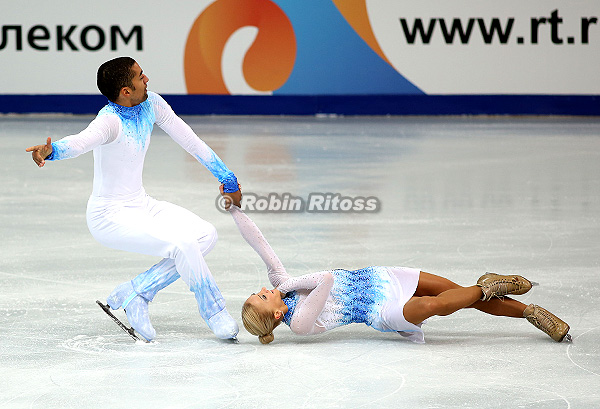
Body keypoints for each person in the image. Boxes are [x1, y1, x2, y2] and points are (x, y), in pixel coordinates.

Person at [26, 57, 242, 342]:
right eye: (140, 76)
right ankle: (215, 312)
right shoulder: (109, 122)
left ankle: (137, 292)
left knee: (205, 235)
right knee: (183, 243)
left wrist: (226, 177)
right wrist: (51, 151)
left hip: (141, 204)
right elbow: (80, 142)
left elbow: (190, 140)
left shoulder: (152, 104)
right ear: (126, 91)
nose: (147, 79)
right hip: (109, 217)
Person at [220, 194, 571, 345]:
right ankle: (489, 285)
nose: (266, 288)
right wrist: (285, 286)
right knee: (436, 306)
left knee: (457, 294)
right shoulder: (297, 324)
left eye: (260, 290)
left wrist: (234, 210)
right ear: (277, 312)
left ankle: (531, 314)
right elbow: (324, 280)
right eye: (264, 296)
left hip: (380, 277)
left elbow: (260, 244)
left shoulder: (281, 287)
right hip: (379, 310)